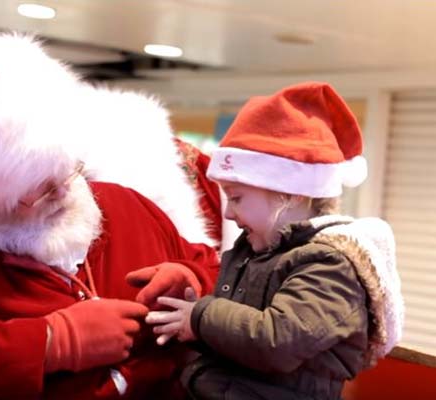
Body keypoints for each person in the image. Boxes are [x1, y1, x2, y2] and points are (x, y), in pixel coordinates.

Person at [0, 33, 220, 399]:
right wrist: (52, 342)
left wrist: (192, 280)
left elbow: (216, 271)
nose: (65, 191)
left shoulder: (129, 206)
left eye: (69, 169)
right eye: (41, 188)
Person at [145, 82, 404, 400]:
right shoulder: (256, 252)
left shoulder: (331, 264)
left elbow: (277, 341)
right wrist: (192, 326)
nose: (228, 213)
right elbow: (241, 342)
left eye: (237, 198)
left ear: (290, 193)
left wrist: (201, 316)